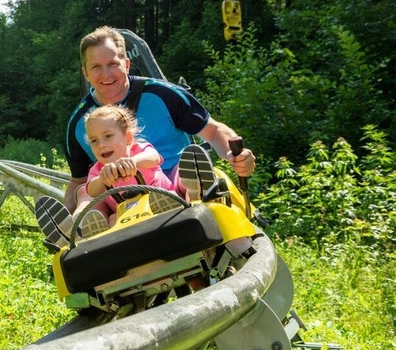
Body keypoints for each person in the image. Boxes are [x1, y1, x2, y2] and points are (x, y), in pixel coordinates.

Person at [35, 26, 255, 251]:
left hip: (173, 180)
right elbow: (79, 181)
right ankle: (74, 232)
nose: (106, 74)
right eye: (96, 67)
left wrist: (233, 155)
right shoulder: (78, 123)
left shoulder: (164, 95)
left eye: (112, 64)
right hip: (120, 197)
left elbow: (213, 131)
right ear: (86, 73)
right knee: (88, 195)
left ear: (126, 64)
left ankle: (199, 200)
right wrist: (72, 206)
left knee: (195, 173)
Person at [73, 104, 178, 238]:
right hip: (127, 215)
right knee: (112, 219)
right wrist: (102, 179)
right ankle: (89, 233)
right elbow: (92, 190)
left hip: (159, 199)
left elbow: (154, 158)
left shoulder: (139, 151)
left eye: (108, 136)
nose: (101, 145)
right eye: (94, 141)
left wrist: (133, 162)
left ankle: (184, 200)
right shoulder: (99, 168)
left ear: (128, 138)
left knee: (167, 193)